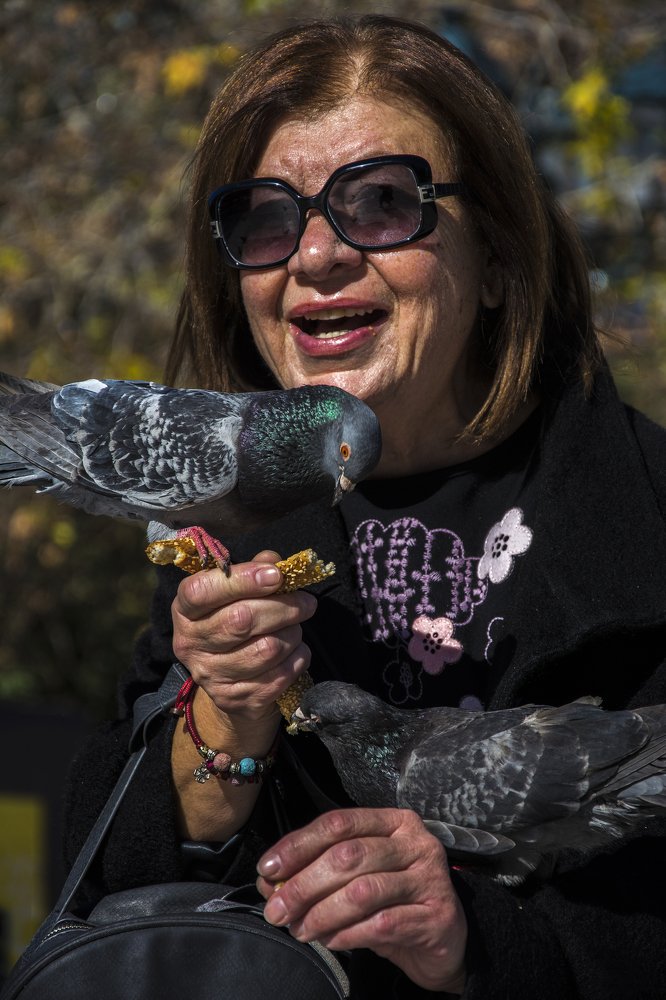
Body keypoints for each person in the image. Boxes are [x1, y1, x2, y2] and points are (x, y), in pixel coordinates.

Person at [64, 14, 666, 998]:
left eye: (382, 203)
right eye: (264, 218)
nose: (314, 255)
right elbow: (120, 903)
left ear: (503, 263)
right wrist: (226, 717)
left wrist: (473, 937)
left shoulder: (648, 522)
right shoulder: (227, 530)